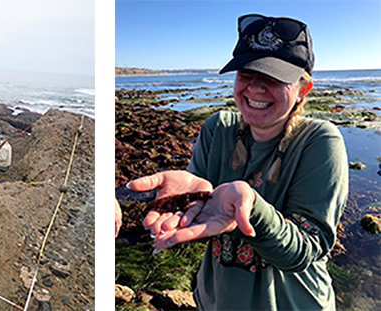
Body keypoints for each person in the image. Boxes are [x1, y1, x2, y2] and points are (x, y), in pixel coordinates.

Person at [129, 15, 346, 310]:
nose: (255, 88)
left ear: (302, 90)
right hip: (215, 301)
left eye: (273, 77)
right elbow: (198, 221)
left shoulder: (319, 141)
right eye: (246, 73)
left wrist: (252, 209)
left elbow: (306, 250)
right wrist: (182, 205)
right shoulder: (217, 128)